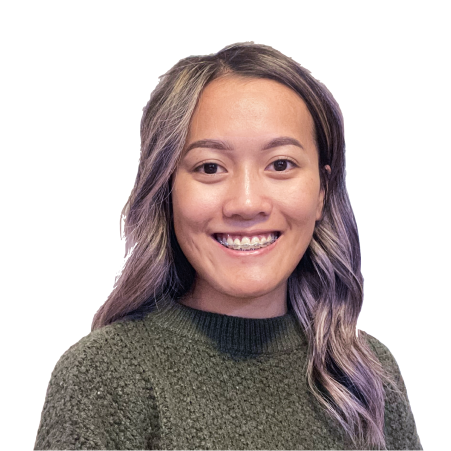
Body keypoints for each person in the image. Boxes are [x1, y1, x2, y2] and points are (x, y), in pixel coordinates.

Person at [34, 42, 423, 450]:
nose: (247, 203)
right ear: (166, 190)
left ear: (323, 190)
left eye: (281, 164)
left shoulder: (368, 373)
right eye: (210, 168)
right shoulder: (106, 376)